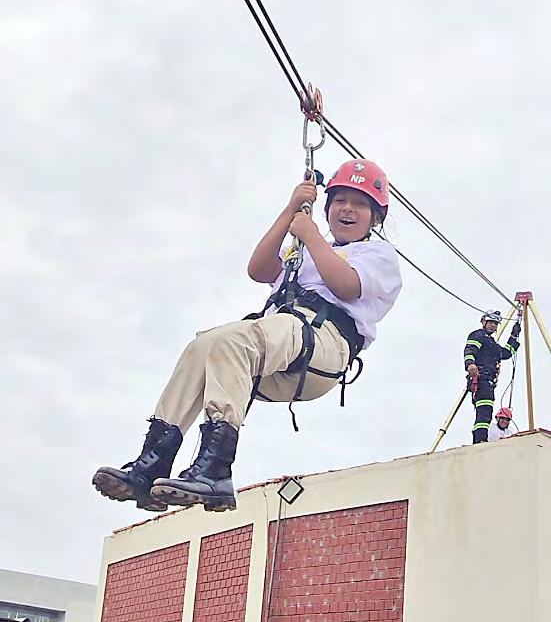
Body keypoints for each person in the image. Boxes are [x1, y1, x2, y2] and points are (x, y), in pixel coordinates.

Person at [93, 159, 402, 512]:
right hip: (279, 346)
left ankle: (215, 469)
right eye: (340, 200)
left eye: (359, 203)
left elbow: (346, 286)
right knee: (203, 347)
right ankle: (152, 462)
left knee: (237, 340)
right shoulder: (304, 247)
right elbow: (259, 269)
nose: (347, 209)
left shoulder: (376, 254)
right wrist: (290, 211)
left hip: (323, 342)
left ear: (376, 217)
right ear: (328, 206)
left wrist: (312, 236)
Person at [464, 311, 521, 443]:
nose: (493, 326)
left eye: (495, 324)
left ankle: (481, 439)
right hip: (480, 379)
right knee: (484, 412)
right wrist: (470, 364)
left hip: (488, 382)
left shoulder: (491, 343)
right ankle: (480, 440)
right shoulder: (478, 335)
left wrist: (514, 335)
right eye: (490, 322)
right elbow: (470, 349)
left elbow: (506, 353)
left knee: (486, 412)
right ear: (483, 322)